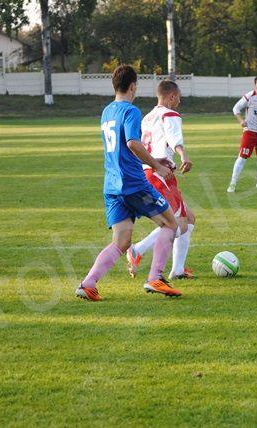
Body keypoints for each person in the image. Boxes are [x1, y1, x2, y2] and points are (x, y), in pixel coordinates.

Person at [76, 65, 182, 302]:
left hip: (112, 185)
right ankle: (155, 277)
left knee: (121, 242)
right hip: (133, 183)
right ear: (133, 86)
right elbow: (133, 143)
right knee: (170, 223)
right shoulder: (131, 111)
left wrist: (155, 160)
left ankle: (88, 283)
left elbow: (124, 149)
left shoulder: (107, 111)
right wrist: (157, 167)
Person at [126, 80, 196, 280]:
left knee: (189, 218)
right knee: (178, 224)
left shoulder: (147, 117)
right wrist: (183, 155)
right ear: (172, 96)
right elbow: (174, 139)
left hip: (148, 172)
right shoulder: (170, 114)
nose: (179, 102)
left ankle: (178, 270)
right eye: (178, 97)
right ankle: (137, 250)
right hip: (160, 173)